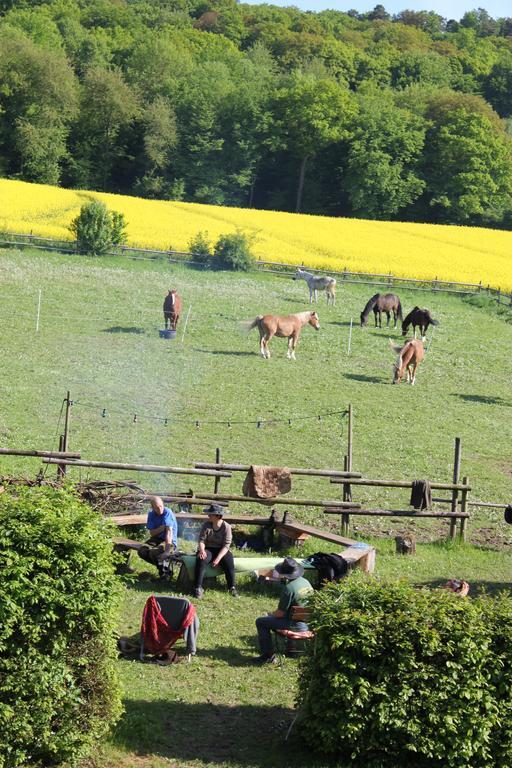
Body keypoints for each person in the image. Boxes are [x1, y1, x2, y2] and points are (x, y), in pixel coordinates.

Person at [254, 557, 314, 664]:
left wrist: (270, 614)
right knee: (290, 615)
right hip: (308, 623)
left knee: (261, 622)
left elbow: (280, 613)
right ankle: (291, 649)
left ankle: (268, 656)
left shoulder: (289, 588)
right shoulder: (306, 582)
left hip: (294, 625)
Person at [194, 503, 237, 598]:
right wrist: (202, 550)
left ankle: (232, 587)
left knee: (229, 561)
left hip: (221, 550)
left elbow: (226, 545)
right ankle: (198, 587)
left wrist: (218, 559)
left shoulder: (227, 527)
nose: (208, 515)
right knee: (201, 559)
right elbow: (201, 540)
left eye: (211, 514)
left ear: (218, 516)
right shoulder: (206, 525)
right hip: (208, 548)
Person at [138, 496, 178, 578]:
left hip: (169, 541)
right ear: (152, 508)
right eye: (156, 508)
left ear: (163, 504)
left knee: (154, 552)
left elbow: (169, 532)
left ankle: (164, 574)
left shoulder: (168, 512)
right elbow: (152, 533)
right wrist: (162, 527)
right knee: (142, 550)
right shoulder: (151, 514)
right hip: (157, 539)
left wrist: (167, 551)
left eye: (161, 506)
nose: (160, 509)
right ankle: (164, 568)